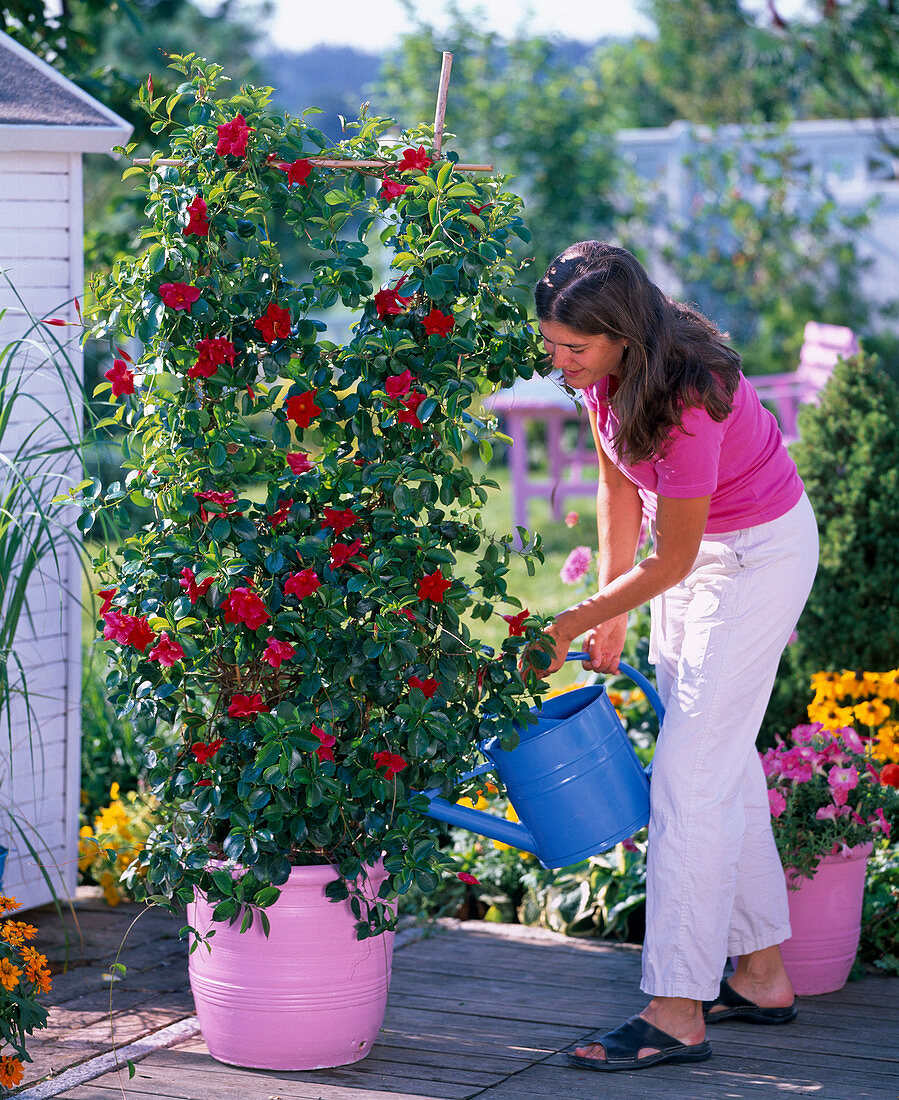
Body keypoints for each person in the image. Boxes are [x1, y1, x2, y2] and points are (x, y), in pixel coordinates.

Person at [531, 241, 818, 1073]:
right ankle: (759, 974)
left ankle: (674, 1010)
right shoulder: (602, 377)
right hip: (689, 559)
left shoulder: (689, 389)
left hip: (755, 558)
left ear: (621, 334)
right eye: (550, 342)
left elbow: (680, 557)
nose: (557, 362)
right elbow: (618, 485)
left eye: (573, 348)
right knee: (717, 764)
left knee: (688, 779)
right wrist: (611, 612)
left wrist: (572, 619)